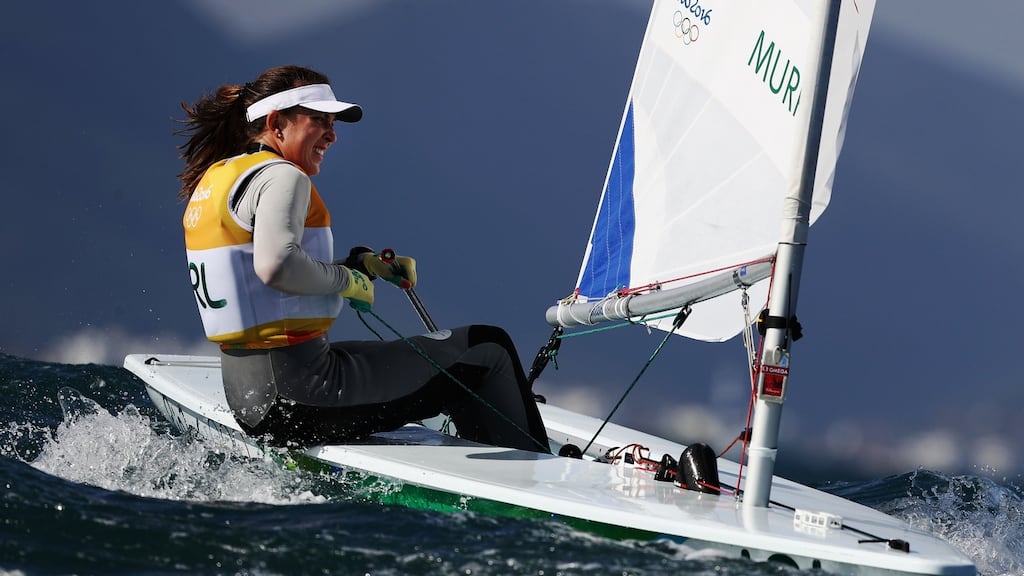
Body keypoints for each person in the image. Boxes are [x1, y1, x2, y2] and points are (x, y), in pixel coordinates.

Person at [176, 64, 549, 453]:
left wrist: (361, 267)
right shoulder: (283, 176)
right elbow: (277, 266)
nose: (332, 134)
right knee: (487, 348)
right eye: (319, 120)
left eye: (333, 122)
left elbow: (260, 285)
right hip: (301, 395)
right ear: (276, 122)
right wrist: (345, 282)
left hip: (252, 397)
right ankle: (537, 479)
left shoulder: (220, 176)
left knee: (432, 358)